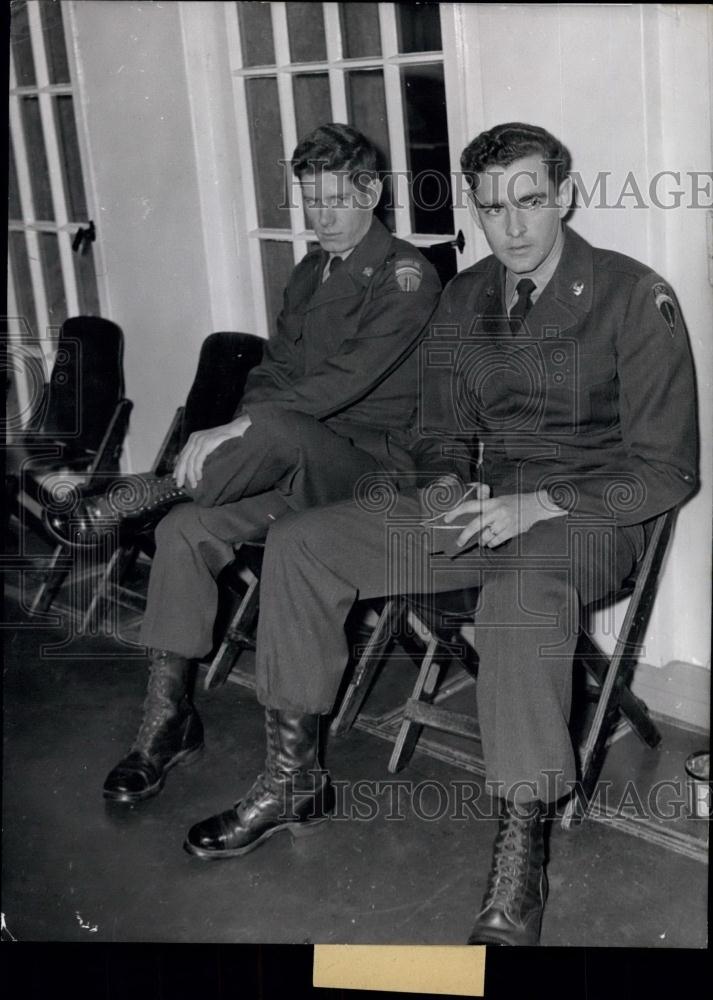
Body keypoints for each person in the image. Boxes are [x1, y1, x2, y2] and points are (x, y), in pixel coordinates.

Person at [181, 123, 698, 947]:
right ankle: (292, 778)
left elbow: (667, 471)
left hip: (586, 516)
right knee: (302, 544)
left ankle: (519, 849)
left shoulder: (633, 295)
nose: (513, 227)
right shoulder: (465, 295)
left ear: (562, 197)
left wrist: (539, 505)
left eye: (530, 203)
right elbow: (438, 433)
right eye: (492, 209)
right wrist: (452, 481)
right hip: (480, 503)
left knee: (518, 599)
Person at [60, 123, 441, 806]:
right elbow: (274, 371)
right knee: (184, 532)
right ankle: (166, 723)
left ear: (372, 192)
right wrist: (249, 418)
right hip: (287, 466)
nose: (321, 216)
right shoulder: (307, 271)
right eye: (310, 200)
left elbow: (343, 381)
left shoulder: (407, 275)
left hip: (366, 477)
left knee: (275, 430)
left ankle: (148, 488)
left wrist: (243, 424)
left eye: (335, 199)